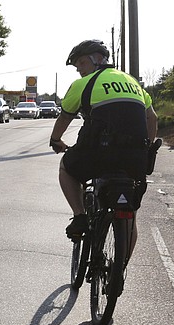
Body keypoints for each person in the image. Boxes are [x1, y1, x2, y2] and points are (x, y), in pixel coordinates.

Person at [49, 39, 158, 254]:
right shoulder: (132, 82)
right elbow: (152, 118)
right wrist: (146, 148)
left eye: (80, 63)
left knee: (66, 168)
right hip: (134, 158)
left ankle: (79, 216)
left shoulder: (83, 84)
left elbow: (65, 118)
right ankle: (119, 271)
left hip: (97, 153)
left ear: (97, 60)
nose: (79, 69)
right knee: (129, 215)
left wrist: (56, 140)